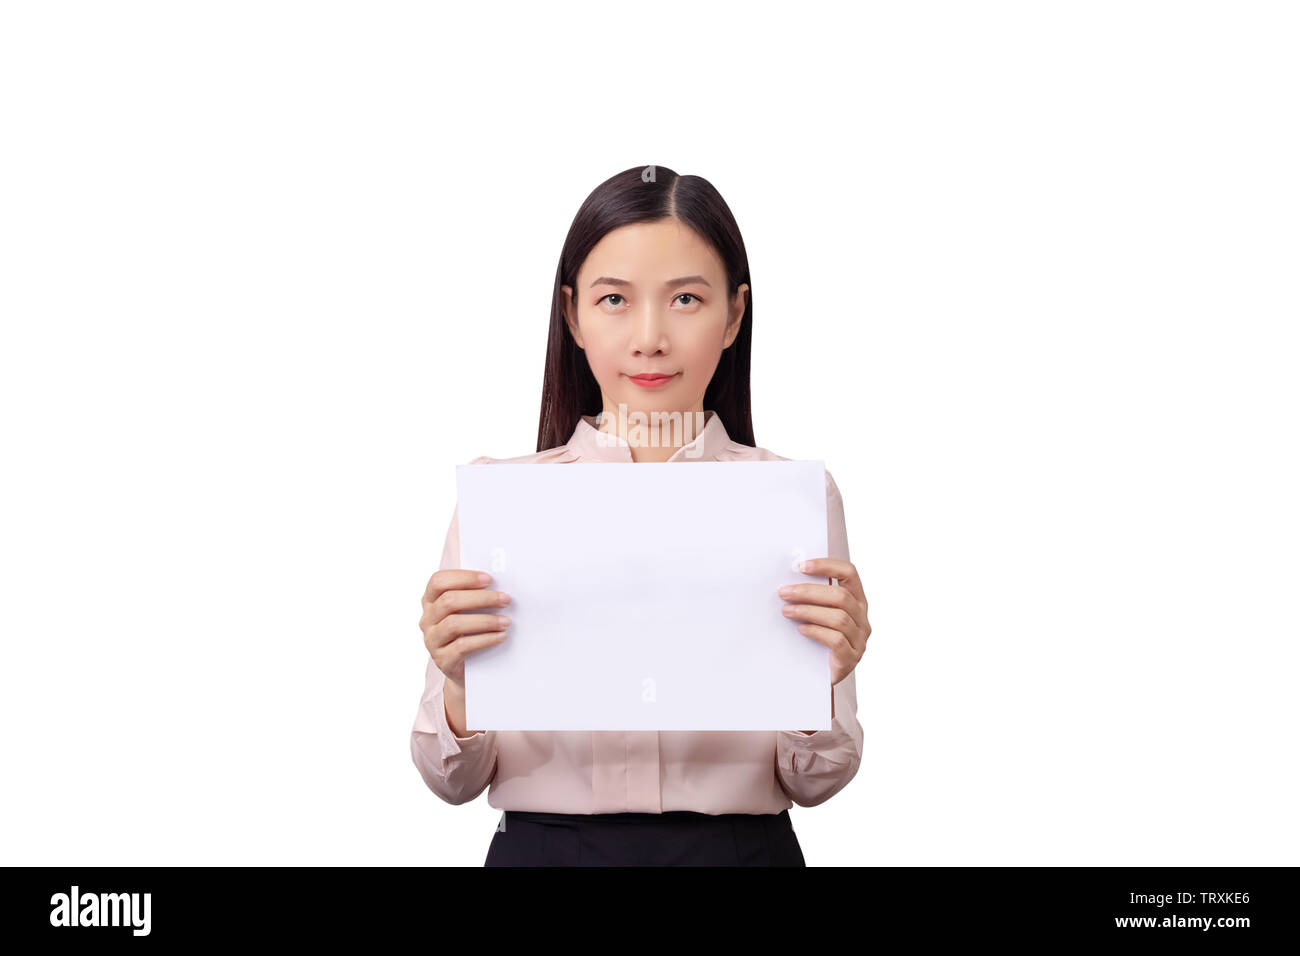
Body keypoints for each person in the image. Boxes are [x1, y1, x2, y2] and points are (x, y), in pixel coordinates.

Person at [412, 165, 872, 866]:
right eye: (614, 300)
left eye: (685, 298)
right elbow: (452, 780)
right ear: (573, 316)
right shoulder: (501, 503)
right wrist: (455, 685)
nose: (650, 338)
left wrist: (830, 678)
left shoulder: (792, 499)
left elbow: (815, 782)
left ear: (734, 315)